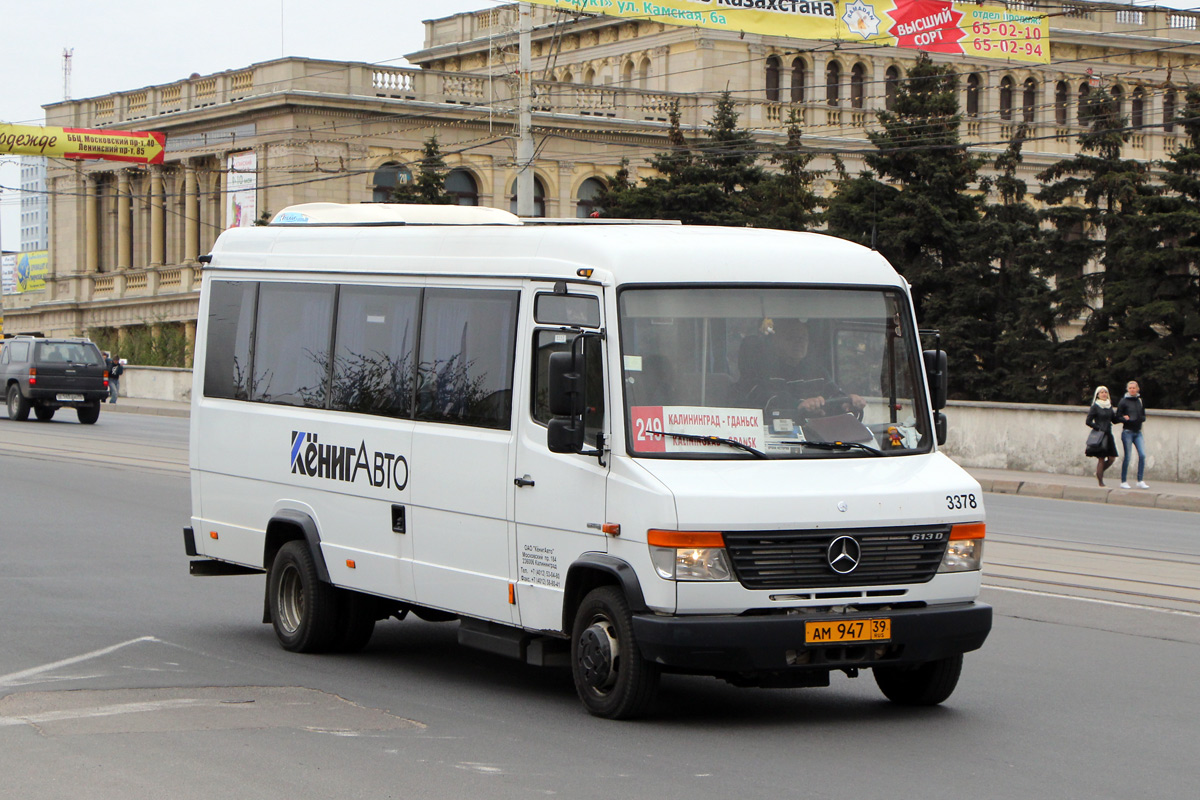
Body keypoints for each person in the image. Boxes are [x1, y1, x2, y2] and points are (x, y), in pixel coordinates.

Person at [739, 318, 865, 416]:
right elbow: (765, 400)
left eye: (803, 338)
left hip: (818, 440)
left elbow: (833, 394)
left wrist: (847, 401)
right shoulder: (761, 372)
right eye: (792, 338)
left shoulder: (817, 372)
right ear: (776, 340)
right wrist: (799, 405)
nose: (799, 343)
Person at [1116, 379, 1148, 489]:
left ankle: (1140, 480)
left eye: (1134, 388)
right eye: (1130, 388)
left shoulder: (1140, 400)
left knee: (1142, 455)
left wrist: (1141, 419)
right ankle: (1123, 481)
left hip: (1138, 432)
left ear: (1137, 389)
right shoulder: (1123, 401)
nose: (1132, 390)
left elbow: (1143, 414)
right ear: (1127, 389)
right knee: (1128, 456)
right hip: (1127, 432)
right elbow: (1117, 416)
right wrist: (1125, 419)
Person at [1085, 386, 1118, 486]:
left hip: (1109, 434)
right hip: (1100, 435)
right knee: (1101, 458)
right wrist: (1097, 427)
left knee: (1112, 458)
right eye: (1101, 392)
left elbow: (1114, 420)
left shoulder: (1109, 406)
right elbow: (1088, 421)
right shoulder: (1095, 406)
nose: (1104, 394)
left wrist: (1123, 418)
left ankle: (1098, 473)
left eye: (1105, 392)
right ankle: (1100, 481)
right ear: (1098, 395)